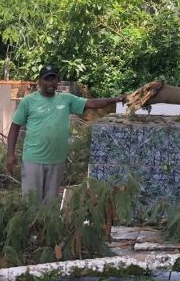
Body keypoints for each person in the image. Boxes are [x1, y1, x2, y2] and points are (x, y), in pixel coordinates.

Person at [7, 64, 125, 203]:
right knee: (31, 204)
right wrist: (10, 154)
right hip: (33, 161)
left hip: (56, 161)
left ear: (58, 81)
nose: (50, 83)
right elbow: (14, 127)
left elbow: (92, 103)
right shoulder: (28, 101)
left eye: (53, 79)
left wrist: (116, 99)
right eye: (47, 79)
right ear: (40, 81)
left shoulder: (66, 100)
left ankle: (49, 226)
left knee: (50, 206)